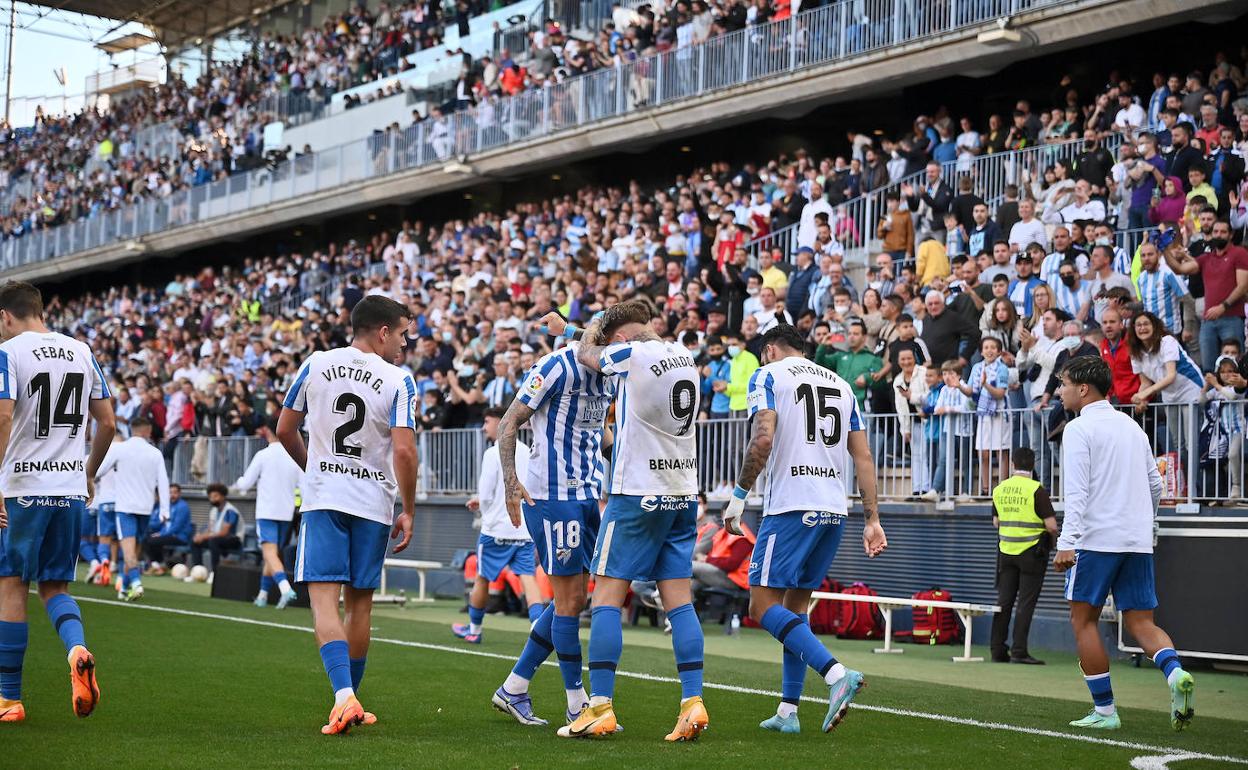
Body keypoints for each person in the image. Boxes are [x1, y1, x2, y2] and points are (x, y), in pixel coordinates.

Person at [722, 324, 886, 735]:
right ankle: (788, 711)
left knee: (761, 608)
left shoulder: (769, 375)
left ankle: (835, 676)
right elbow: (863, 456)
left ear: (771, 350)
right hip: (833, 509)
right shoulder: (841, 384)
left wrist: (738, 495)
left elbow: (762, 440)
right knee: (795, 611)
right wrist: (872, 518)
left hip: (791, 506)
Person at [276, 295, 419, 735]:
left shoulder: (315, 363)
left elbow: (285, 428)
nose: (403, 343)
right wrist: (409, 509)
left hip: (325, 498)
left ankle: (343, 698)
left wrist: (314, 468)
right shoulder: (398, 379)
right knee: (360, 605)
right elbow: (404, 450)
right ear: (382, 332)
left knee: (323, 600)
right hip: (373, 503)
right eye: (401, 334)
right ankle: (351, 698)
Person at [565, 300, 707, 741]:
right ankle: (693, 702)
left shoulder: (633, 353)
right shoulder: (685, 356)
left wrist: (585, 331)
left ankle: (600, 706)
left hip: (638, 492)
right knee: (679, 601)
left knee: (607, 596)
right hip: (682, 492)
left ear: (621, 339)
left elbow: (590, 355)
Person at [1053, 356, 1194, 732]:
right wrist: (1141, 524)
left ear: (1083, 388)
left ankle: (1104, 711)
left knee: (1083, 622)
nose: (1059, 390)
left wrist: (1067, 542)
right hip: (1136, 540)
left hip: (1095, 541)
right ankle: (1175, 673)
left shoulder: (1079, 429)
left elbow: (1077, 493)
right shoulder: (1133, 426)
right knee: (1141, 622)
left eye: (1063, 383)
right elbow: (1155, 485)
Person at [490, 313, 612, 728]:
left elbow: (600, 433)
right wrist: (511, 481)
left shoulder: (610, 372)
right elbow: (508, 423)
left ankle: (514, 688)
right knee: (568, 602)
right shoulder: (555, 366)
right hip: (552, 495)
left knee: (573, 600)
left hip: (587, 495)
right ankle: (577, 703)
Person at [0, 281, 115, 724]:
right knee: (55, 588)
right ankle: (77, 649)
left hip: (21, 488)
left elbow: (4, 414)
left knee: (11, 584)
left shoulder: (10, 353)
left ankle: (10, 699)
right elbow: (107, 421)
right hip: (68, 489)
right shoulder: (81, 350)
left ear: (6, 316)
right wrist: (87, 471)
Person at [452, 406, 543, 644]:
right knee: (528, 577)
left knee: (483, 577)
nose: (484, 426)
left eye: (488, 421)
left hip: (496, 529)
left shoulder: (492, 453)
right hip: (523, 527)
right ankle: (538, 630)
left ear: (502, 422)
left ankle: (474, 629)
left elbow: (487, 492)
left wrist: (481, 503)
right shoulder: (527, 451)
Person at [989, 448, 1057, 665]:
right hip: (1032, 553)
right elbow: (1051, 526)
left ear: (1013, 465)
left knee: (1004, 602)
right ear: (1032, 465)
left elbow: (996, 522)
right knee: (1025, 604)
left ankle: (997, 650)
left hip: (1006, 552)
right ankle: (1019, 651)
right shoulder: (1037, 489)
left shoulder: (1000, 489)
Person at [96, 416, 170, 601]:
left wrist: (88, 479)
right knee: (135, 550)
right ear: (148, 431)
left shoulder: (120, 449)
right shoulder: (155, 453)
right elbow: (163, 483)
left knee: (128, 551)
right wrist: (164, 510)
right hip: (145, 508)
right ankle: (124, 585)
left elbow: (99, 470)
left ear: (131, 429)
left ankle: (136, 582)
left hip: (125, 508)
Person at [1161, 220, 1248, 373]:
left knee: (1235, 366)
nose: (1218, 235)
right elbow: (1179, 268)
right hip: (1209, 320)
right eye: (1216, 232)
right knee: (1208, 367)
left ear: (1231, 235)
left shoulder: (1239, 253)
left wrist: (1223, 307)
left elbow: (1243, 286)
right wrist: (1164, 249)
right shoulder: (1206, 258)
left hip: (1232, 318)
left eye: (1223, 232)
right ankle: (1212, 395)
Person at [232, 421, 303, 608]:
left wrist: (237, 483)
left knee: (270, 553)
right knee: (272, 554)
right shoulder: (294, 456)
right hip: (286, 512)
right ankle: (263, 595)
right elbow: (303, 486)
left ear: (267, 431)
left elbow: (246, 483)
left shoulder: (263, 455)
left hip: (267, 510)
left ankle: (285, 588)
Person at [84, 432, 122, 587]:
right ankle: (117, 569)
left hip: (100, 501)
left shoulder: (98, 458)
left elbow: (91, 475)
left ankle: (102, 561)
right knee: (121, 539)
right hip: (122, 503)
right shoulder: (125, 457)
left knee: (98, 538)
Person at [142, 484, 193, 573]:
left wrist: (161, 534)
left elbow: (176, 527)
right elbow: (165, 524)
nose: (172, 495)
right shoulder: (167, 506)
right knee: (146, 539)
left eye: (175, 493)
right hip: (169, 535)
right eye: (170, 493)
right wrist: (160, 532)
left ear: (179, 494)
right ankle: (158, 565)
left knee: (152, 540)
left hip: (179, 537)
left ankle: (159, 565)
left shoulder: (183, 506)